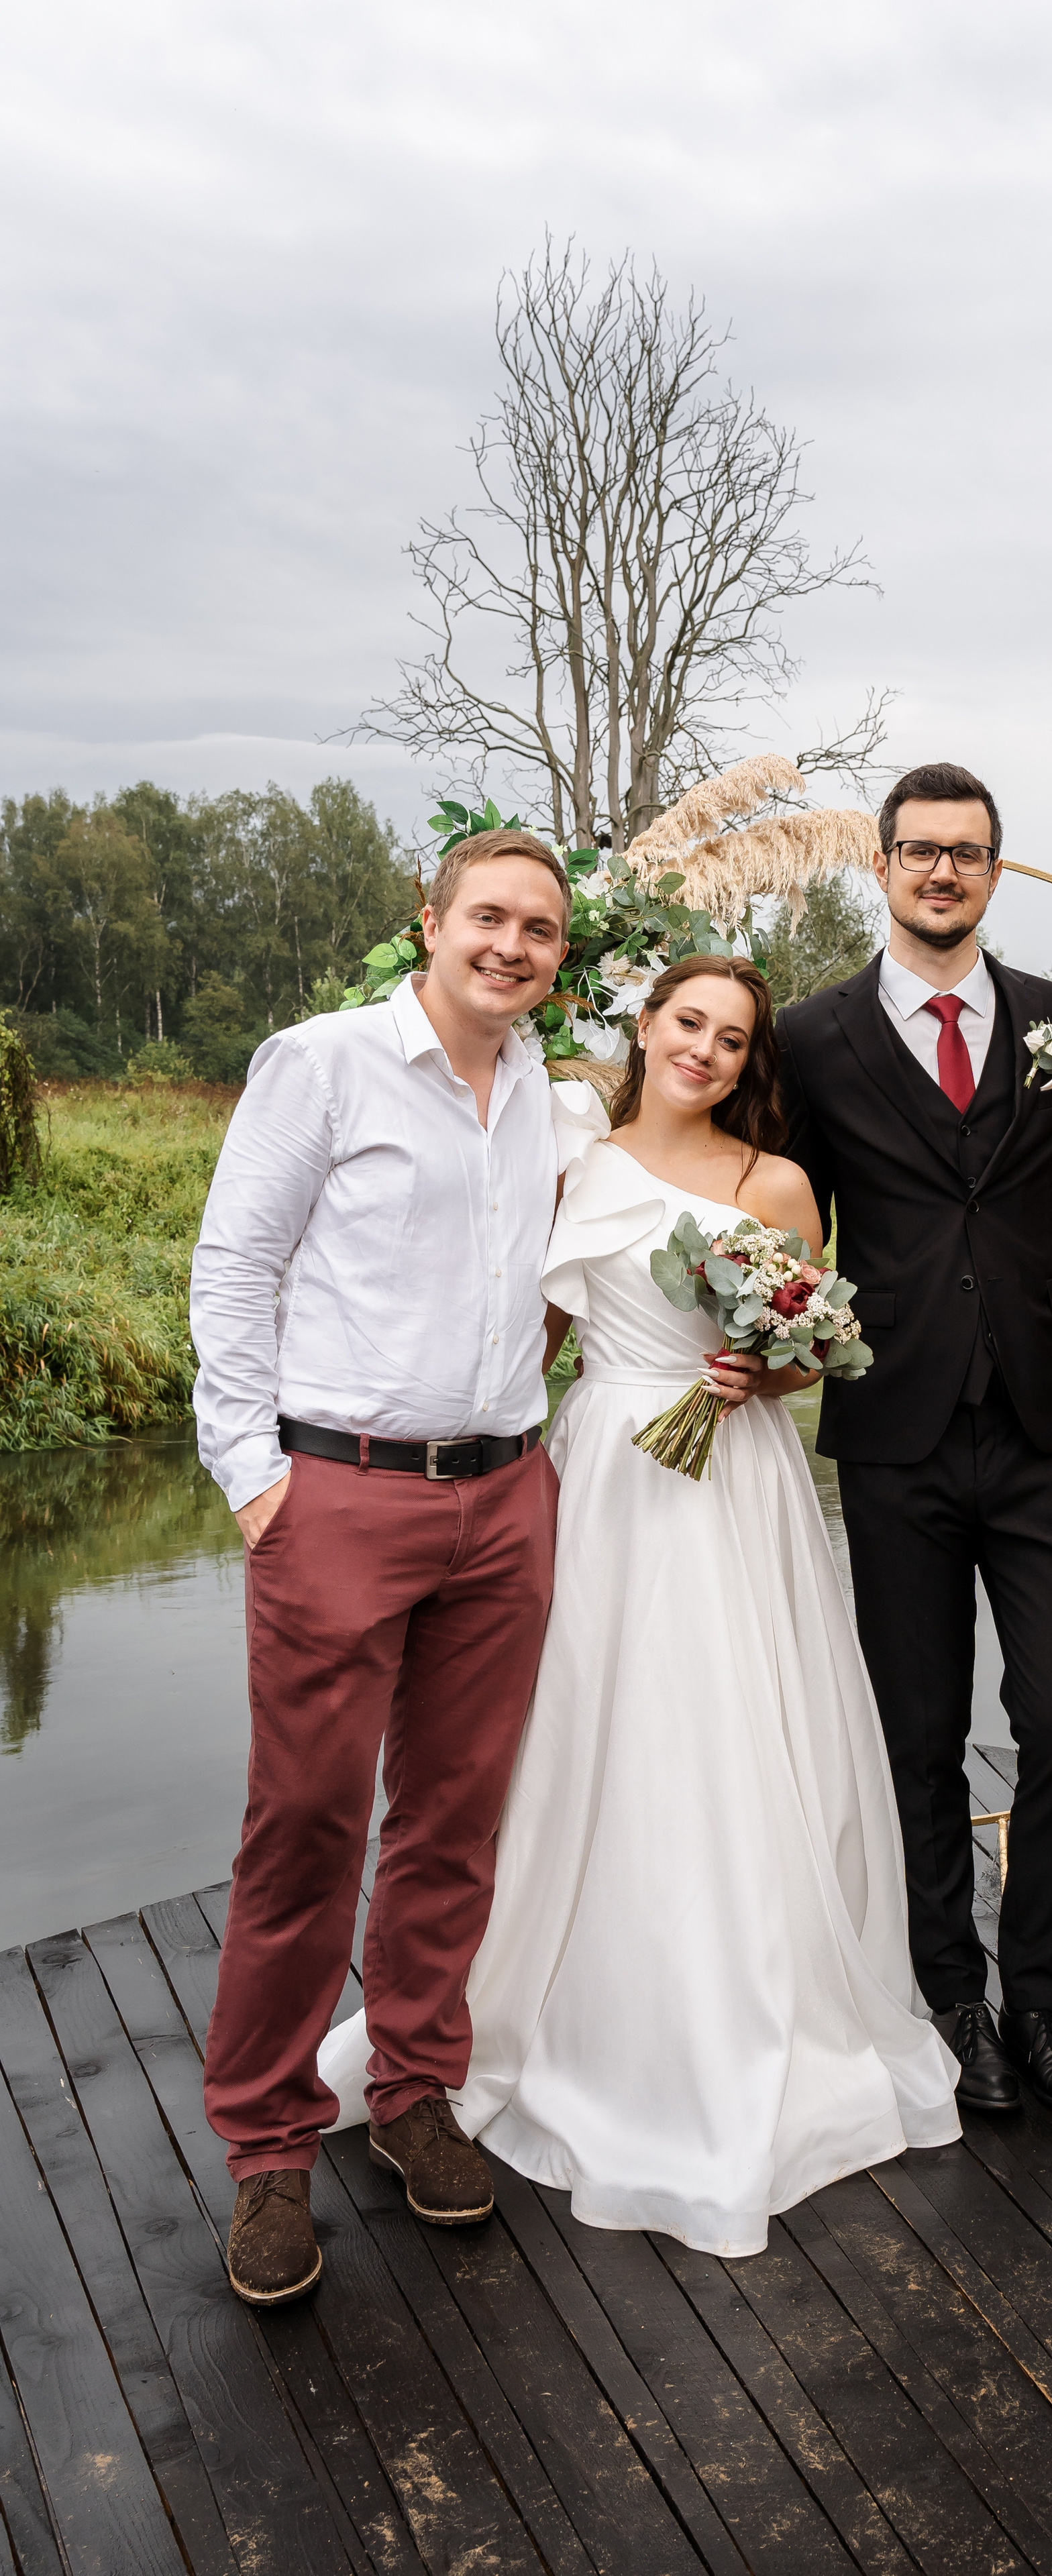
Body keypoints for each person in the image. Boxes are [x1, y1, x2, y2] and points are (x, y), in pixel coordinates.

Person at [319, 953, 959, 2258]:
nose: (706, 1052)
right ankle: (550, 2016)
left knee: (733, 1738)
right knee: (585, 1739)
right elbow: (529, 1338)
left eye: (731, 1039)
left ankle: (747, 2017)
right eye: (688, 1024)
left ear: (746, 1063)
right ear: (647, 1027)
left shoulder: (771, 1183)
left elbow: (805, 1355)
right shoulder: (573, 1157)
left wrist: (755, 1368)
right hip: (603, 1473)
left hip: (735, 1486)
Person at [191, 828, 572, 2304]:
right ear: (429, 921)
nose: (512, 946)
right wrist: (253, 1482)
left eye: (537, 929)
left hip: (502, 1501)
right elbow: (235, 1264)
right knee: (303, 1824)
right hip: (338, 1498)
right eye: (488, 917)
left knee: (453, 1820)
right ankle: (270, 2148)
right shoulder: (326, 1062)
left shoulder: (554, 1091)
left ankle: (412, 2086)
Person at [777, 761, 1052, 2116]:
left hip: (1038, 1428)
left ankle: (1040, 2007)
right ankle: (955, 2005)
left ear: (995, 869)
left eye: (965, 853)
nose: (940, 872)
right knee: (918, 1736)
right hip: (895, 1433)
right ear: (882, 864)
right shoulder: (809, 1037)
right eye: (918, 851)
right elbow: (765, 1206)